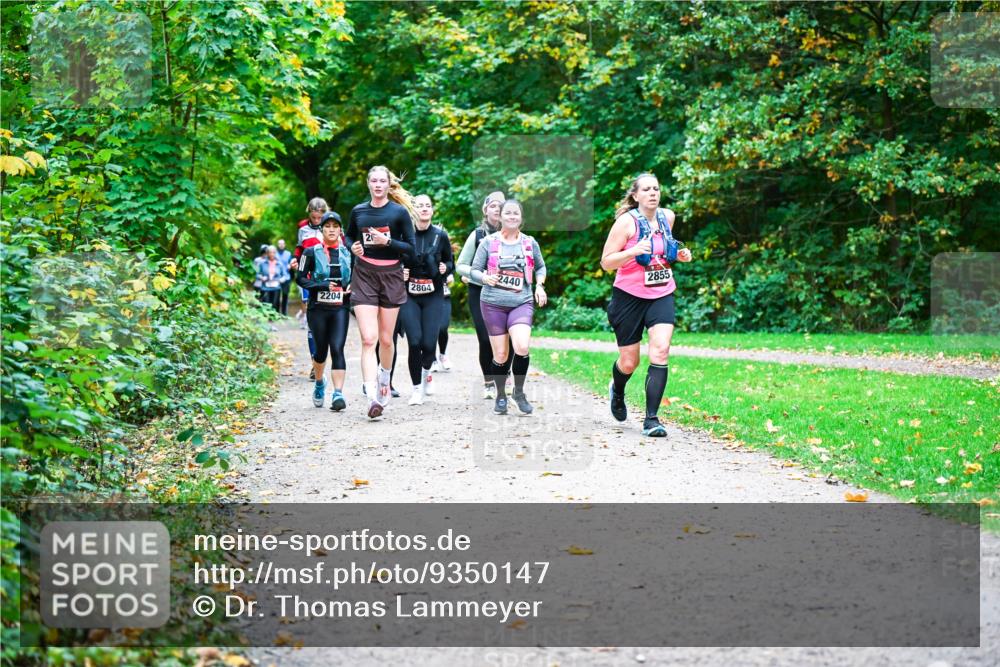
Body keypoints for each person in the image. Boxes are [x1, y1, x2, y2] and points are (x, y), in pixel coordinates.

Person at [600, 173, 693, 437]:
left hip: (661, 293)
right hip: (628, 297)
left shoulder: (668, 217)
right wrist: (632, 251)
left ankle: (652, 420)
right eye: (647, 189)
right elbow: (606, 262)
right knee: (630, 362)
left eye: (656, 188)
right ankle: (617, 390)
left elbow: (666, 250)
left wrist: (681, 254)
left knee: (661, 350)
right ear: (635, 195)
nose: (653, 193)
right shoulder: (625, 224)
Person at [344, 166, 416, 419]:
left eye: (382, 181)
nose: (377, 185)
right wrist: (352, 247)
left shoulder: (398, 213)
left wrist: (388, 242)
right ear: (368, 184)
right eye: (373, 180)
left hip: (391, 276)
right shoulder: (359, 211)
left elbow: (411, 249)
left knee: (387, 340)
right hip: (364, 275)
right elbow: (348, 236)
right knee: (368, 338)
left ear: (388, 185)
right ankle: (372, 396)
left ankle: (385, 377)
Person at [470, 199, 547, 416]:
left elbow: (541, 267)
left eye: (516, 213)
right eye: (508, 213)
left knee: (521, 347)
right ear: (500, 217)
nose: (512, 216)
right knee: (501, 354)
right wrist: (485, 277)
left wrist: (539, 286)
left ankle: (519, 392)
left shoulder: (530, 243)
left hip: (521, 301)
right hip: (492, 303)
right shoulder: (488, 242)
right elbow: (474, 270)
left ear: (521, 218)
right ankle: (501, 395)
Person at [296, 211, 353, 411]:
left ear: (340, 230)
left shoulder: (348, 252)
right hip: (318, 308)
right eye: (327, 226)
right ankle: (320, 383)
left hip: (340, 307)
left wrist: (352, 285)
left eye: (335, 227)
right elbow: (300, 278)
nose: (331, 230)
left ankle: (338, 393)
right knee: (321, 351)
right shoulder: (310, 252)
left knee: (337, 347)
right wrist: (321, 285)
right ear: (322, 230)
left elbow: (356, 275)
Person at [400, 194, 453, 405]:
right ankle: (415, 390)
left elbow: (451, 262)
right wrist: (399, 271)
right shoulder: (405, 236)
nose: (424, 209)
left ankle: (426, 374)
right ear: (413, 210)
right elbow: (394, 260)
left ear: (432, 211)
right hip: (409, 295)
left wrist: (445, 267)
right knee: (414, 342)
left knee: (429, 344)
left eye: (427, 206)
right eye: (420, 206)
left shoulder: (441, 236)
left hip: (433, 295)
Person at [456, 191, 509, 398]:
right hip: (480, 293)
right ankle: (489, 381)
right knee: (486, 339)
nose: (497, 209)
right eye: (493, 206)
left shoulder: (515, 235)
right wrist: (479, 275)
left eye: (501, 206)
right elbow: (461, 266)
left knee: (508, 338)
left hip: (507, 294)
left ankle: (506, 377)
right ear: (485, 210)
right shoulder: (478, 235)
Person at [292, 198, 329, 379]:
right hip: (308, 280)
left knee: (329, 323)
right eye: (313, 217)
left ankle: (324, 357)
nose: (317, 221)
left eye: (319, 217)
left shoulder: (332, 226)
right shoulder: (303, 229)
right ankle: (315, 363)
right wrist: (295, 260)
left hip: (329, 280)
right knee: (311, 323)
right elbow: (299, 250)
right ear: (309, 214)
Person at [257, 245, 290, 313]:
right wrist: (262, 277)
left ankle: (275, 322)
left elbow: (285, 275)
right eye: (270, 252)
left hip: (276, 287)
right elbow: (257, 274)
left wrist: (282, 279)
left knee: (275, 305)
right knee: (266, 305)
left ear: (275, 253)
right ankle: (267, 320)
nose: (271, 254)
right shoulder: (262, 263)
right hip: (265, 287)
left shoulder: (279, 264)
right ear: (267, 253)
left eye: (273, 252)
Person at [276, 239, 293, 316]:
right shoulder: (274, 254)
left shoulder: (288, 254)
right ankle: (276, 312)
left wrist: (290, 266)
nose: (281, 245)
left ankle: (284, 313)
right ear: (277, 245)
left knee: (285, 295)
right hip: (276, 278)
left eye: (282, 244)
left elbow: (292, 263)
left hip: (286, 277)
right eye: (279, 244)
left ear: (285, 245)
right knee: (277, 295)